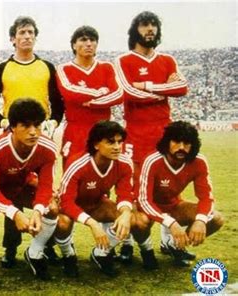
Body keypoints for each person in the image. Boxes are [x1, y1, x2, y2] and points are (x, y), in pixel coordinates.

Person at [0, 15, 64, 267]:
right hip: (14, 136)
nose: (27, 36)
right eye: (22, 32)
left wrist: (52, 123)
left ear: (35, 36)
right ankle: (10, 248)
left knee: (45, 192)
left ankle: (46, 246)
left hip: (40, 137)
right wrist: (2, 122)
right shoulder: (1, 69)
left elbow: (58, 102)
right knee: (13, 191)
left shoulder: (47, 67)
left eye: (30, 32)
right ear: (13, 38)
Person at [115, 11, 189, 260]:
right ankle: (125, 244)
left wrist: (149, 86)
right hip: (135, 133)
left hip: (164, 134)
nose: (150, 30)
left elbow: (182, 87)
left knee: (167, 189)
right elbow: (128, 92)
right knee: (134, 189)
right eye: (145, 25)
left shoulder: (167, 60)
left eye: (154, 25)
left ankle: (169, 243)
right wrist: (164, 91)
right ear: (135, 30)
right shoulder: (123, 61)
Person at [0, 98, 59, 289]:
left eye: (37, 125)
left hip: (22, 186)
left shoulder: (48, 147)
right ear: (12, 126)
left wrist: (37, 211)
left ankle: (35, 254)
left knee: (52, 208)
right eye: (26, 126)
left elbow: (46, 187)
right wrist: (15, 213)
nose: (33, 132)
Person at [54, 121, 155, 277]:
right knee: (62, 223)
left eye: (119, 142)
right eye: (110, 142)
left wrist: (126, 213)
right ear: (96, 145)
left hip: (97, 203)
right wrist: (93, 224)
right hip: (71, 206)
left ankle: (101, 253)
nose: (117, 147)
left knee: (133, 219)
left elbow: (125, 194)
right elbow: (66, 202)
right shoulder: (78, 164)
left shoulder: (124, 162)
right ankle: (68, 255)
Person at [137, 121, 224, 267]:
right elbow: (144, 200)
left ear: (193, 145)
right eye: (176, 142)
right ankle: (147, 251)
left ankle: (173, 245)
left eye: (187, 143)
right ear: (167, 142)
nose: (181, 147)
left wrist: (201, 220)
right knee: (139, 222)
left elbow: (206, 197)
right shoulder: (153, 160)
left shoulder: (199, 161)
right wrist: (170, 223)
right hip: (146, 208)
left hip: (173, 205)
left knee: (216, 219)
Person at [56, 26, 123, 162]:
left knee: (103, 174)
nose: (89, 43)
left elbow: (119, 94)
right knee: (72, 172)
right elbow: (69, 92)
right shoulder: (64, 68)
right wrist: (101, 91)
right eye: (83, 39)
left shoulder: (106, 67)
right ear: (74, 45)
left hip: (103, 129)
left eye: (92, 40)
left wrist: (93, 103)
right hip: (76, 129)